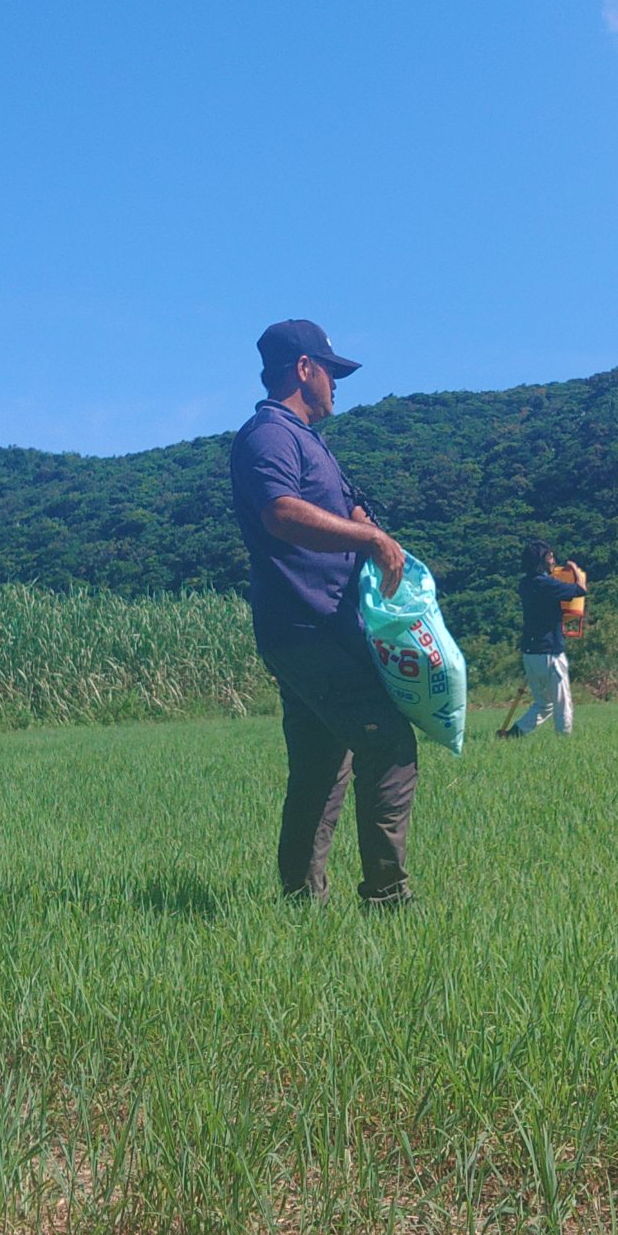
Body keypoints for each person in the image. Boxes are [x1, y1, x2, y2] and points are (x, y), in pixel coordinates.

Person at [228, 319, 419, 908]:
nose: (337, 384)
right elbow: (281, 512)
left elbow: (325, 504)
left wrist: (359, 517)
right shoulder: (269, 435)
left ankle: (299, 903)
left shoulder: (304, 438)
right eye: (331, 372)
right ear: (304, 368)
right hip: (310, 628)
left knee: (320, 766)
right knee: (388, 744)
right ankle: (387, 898)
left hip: (310, 630)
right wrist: (370, 539)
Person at [499, 541, 590, 738]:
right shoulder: (546, 585)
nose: (553, 561)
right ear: (540, 562)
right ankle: (564, 741)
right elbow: (580, 590)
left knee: (544, 704)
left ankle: (514, 734)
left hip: (530, 654)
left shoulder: (526, 584)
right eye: (550, 557)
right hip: (550, 654)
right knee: (562, 703)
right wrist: (575, 570)